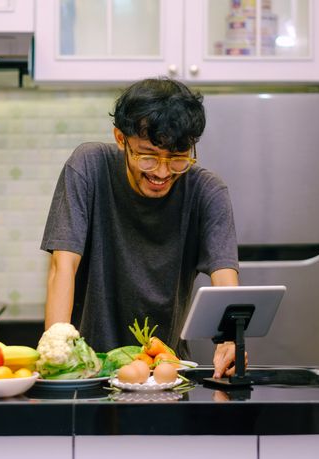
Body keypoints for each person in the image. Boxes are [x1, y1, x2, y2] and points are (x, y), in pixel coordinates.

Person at [41, 78, 240, 378]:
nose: (161, 172)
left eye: (177, 159)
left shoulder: (207, 190)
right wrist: (57, 352)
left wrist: (231, 338)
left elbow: (226, 283)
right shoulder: (88, 166)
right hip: (89, 371)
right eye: (148, 157)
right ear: (120, 139)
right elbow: (62, 264)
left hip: (166, 371)